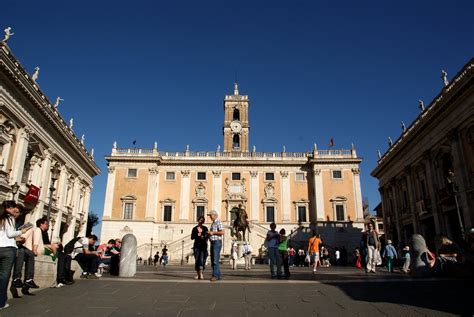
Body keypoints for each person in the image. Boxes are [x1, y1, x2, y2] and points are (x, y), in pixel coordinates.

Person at [0, 201, 31, 310]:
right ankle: (1, 303)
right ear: (9, 208)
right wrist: (22, 231)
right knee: (4, 277)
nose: (15, 211)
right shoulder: (9, 218)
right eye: (14, 208)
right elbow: (10, 234)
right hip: (8, 250)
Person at [207, 210, 224, 281]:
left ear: (214, 215)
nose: (210, 217)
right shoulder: (213, 223)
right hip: (213, 242)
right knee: (214, 259)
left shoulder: (218, 222)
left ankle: (215, 275)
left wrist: (212, 232)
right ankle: (218, 275)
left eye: (210, 215)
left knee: (215, 260)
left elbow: (222, 232)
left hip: (217, 242)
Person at [190, 215, 208, 279]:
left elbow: (207, 236)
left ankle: (201, 273)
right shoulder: (194, 228)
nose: (201, 221)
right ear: (198, 220)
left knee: (202, 260)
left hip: (203, 246)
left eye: (202, 220)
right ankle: (198, 274)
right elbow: (192, 237)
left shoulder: (205, 228)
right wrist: (197, 235)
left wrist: (204, 236)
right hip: (197, 246)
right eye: (200, 220)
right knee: (197, 260)